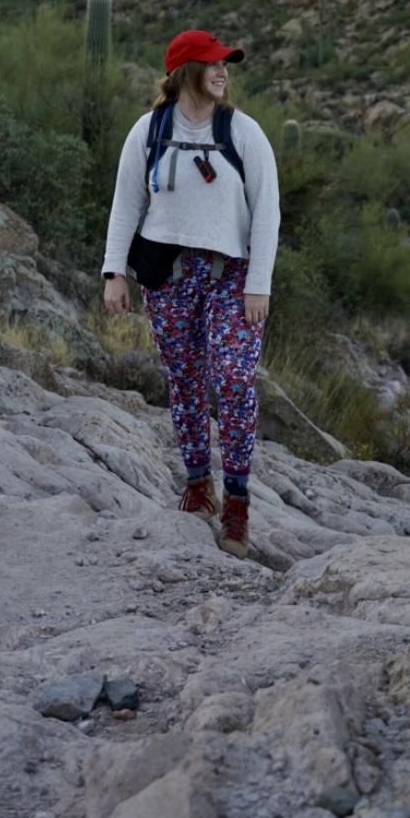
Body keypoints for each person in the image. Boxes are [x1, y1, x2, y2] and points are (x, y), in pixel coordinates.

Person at [102, 29, 280, 558]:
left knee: (232, 376)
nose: (223, 72)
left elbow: (267, 213)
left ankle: (238, 503)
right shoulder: (149, 129)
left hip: (233, 275)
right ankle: (199, 486)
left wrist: (259, 284)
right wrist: (115, 271)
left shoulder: (243, 131)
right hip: (169, 276)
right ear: (185, 72)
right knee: (183, 381)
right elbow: (126, 201)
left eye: (226, 65)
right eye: (213, 64)